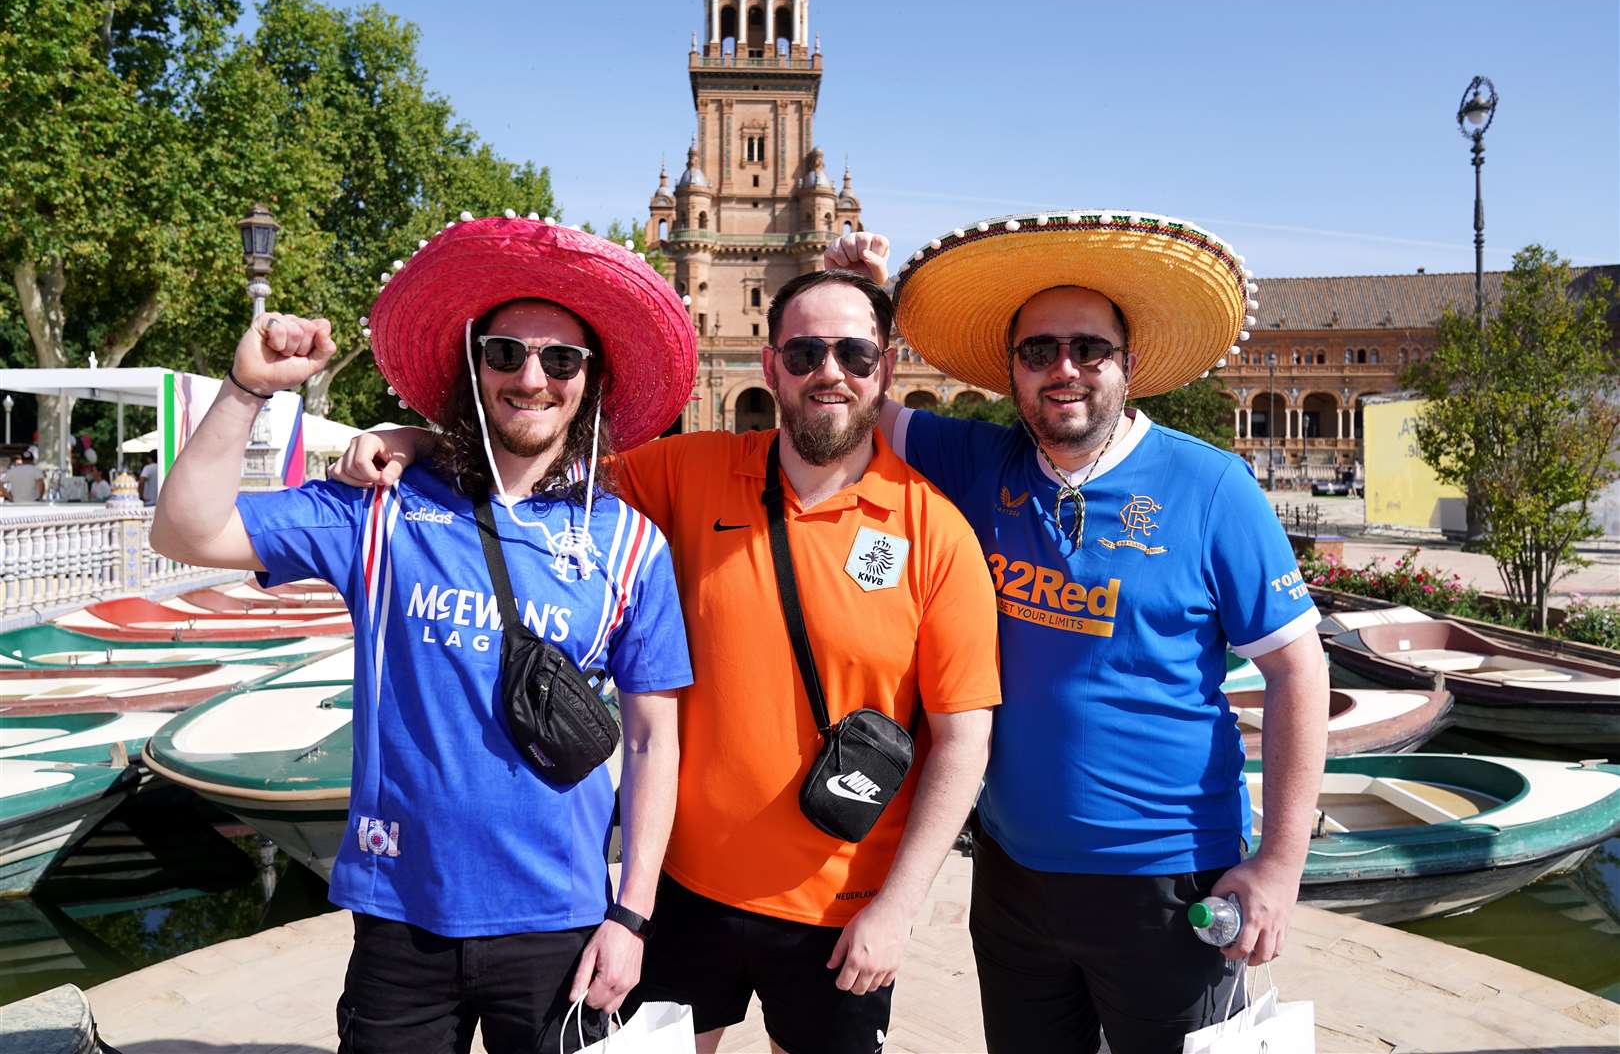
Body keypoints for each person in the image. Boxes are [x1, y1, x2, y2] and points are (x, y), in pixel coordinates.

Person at [337, 268, 1002, 1054]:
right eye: (805, 353)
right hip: (683, 896)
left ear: (885, 369)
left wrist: (897, 910)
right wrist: (418, 445)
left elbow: (963, 742)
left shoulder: (936, 532)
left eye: (855, 354)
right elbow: (537, 465)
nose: (830, 372)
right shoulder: (691, 471)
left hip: (840, 906)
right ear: (769, 365)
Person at [150, 216, 696, 1054]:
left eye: (561, 359)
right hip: (401, 913)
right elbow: (187, 533)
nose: (532, 377)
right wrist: (246, 388)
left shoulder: (628, 544)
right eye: (505, 353)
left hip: (566, 920)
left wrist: (633, 913)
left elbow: (656, 740)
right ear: (473, 367)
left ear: (591, 380)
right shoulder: (381, 508)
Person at [827, 217, 1330, 1053]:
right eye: (1038, 351)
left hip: (1169, 883)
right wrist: (867, 297)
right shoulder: (983, 465)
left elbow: (1298, 671)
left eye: (1089, 349)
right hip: (1013, 880)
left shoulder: (1210, 487)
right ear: (1012, 371)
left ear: (1127, 366)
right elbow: (856, 401)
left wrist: (1280, 865)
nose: (1063, 369)